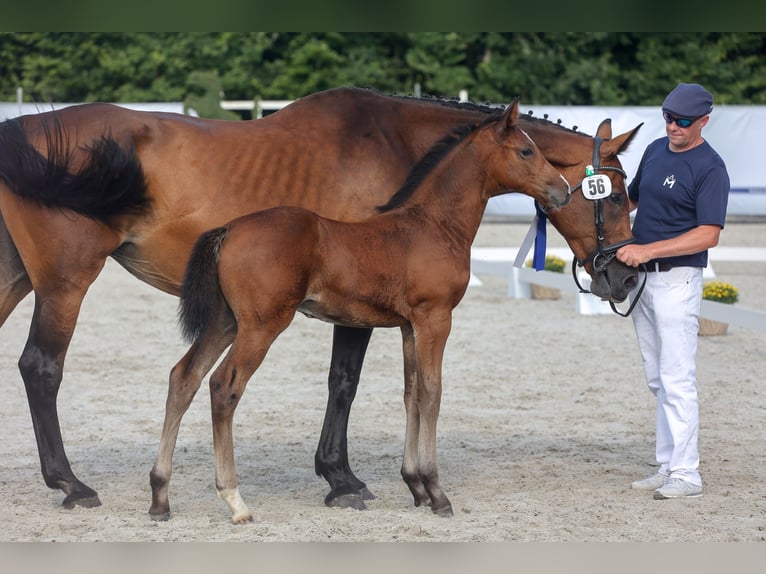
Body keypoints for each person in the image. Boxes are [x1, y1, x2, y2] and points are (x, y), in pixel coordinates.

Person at [616, 82, 730, 500]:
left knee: (677, 379)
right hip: (641, 280)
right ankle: (667, 464)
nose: (672, 126)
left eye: (682, 121)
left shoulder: (711, 167)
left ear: (703, 121)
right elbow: (629, 201)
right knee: (656, 377)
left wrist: (647, 249)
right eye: (667, 117)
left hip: (677, 281)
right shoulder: (654, 150)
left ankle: (688, 474)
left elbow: (707, 235)